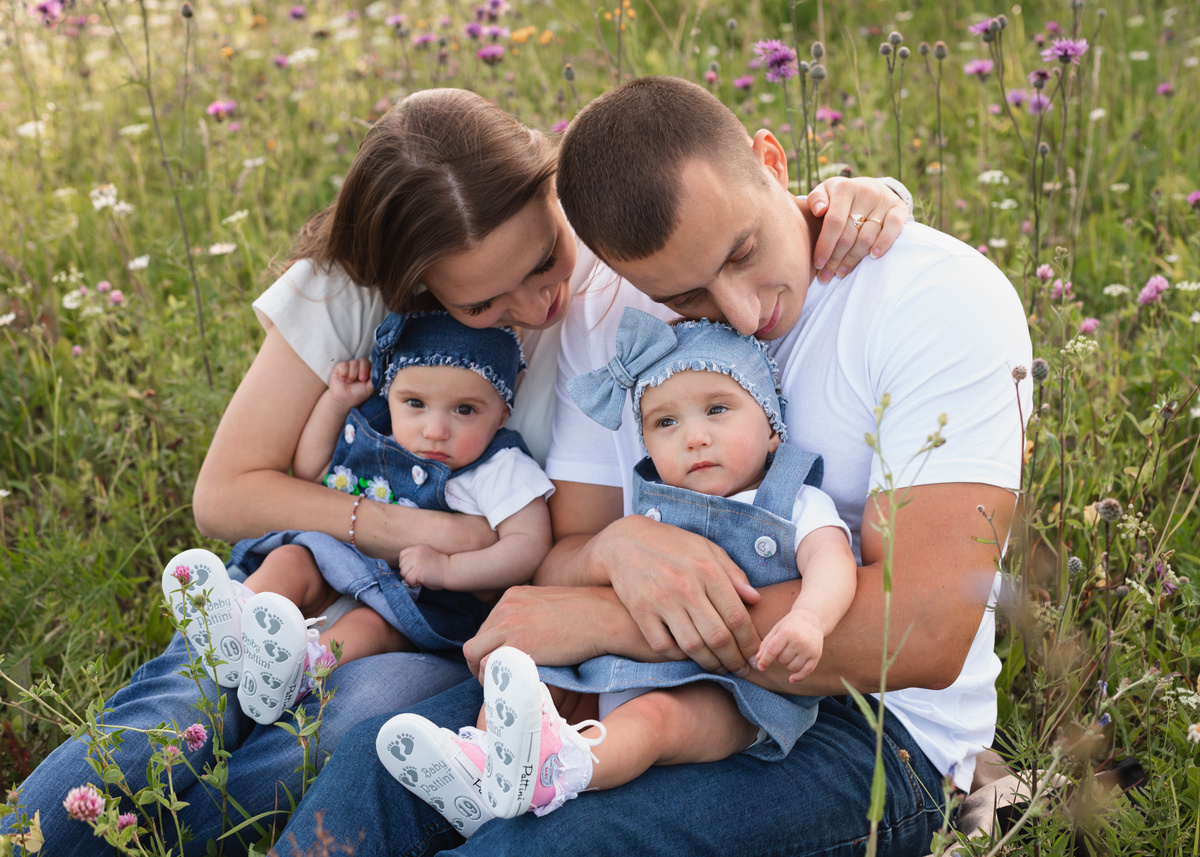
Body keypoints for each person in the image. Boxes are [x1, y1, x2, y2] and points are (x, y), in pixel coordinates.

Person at [1, 85, 906, 857]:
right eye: (484, 301)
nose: (538, 302)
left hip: (448, 623)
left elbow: (726, 203)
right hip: (312, 571)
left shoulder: (611, 263)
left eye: (541, 259)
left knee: (338, 738)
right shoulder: (357, 278)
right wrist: (421, 530)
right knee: (167, 720)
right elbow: (226, 492)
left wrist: (861, 194)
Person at [272, 77, 1031, 857]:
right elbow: (569, 555)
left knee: (550, 845)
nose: (739, 311)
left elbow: (925, 629)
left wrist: (613, 620)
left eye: (742, 251)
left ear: (771, 162)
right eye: (686, 295)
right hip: (628, 683)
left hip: (871, 728)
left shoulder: (935, 299)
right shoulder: (606, 316)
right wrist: (609, 557)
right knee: (377, 764)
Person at [378, 311, 856, 833]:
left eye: (717, 410)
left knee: (654, 721)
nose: (693, 437)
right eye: (665, 423)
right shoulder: (650, 513)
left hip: (734, 694)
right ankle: (487, 767)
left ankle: (563, 769)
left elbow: (831, 560)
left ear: (771, 430)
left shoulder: (793, 502)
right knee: (529, 673)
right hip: (627, 664)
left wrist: (810, 618)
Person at [161, 311, 553, 725]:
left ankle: (304, 668)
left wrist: (450, 568)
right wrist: (336, 403)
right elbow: (314, 472)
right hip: (336, 559)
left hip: (414, 600)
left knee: (371, 627)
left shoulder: (500, 467)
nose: (435, 429)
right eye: (415, 404)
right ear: (391, 394)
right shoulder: (377, 428)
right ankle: (233, 619)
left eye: (466, 410)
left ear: (502, 412)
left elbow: (529, 544)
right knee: (292, 559)